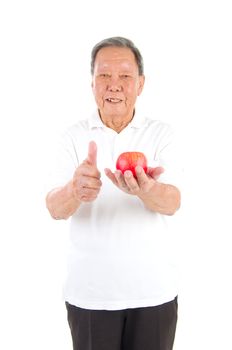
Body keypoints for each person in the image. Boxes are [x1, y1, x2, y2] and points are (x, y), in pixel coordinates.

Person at [46, 36, 181, 350]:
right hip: (90, 297)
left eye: (125, 76)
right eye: (104, 75)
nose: (114, 85)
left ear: (140, 84)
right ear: (92, 83)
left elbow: (173, 202)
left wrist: (148, 189)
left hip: (154, 294)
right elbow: (54, 207)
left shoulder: (162, 134)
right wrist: (74, 189)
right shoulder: (72, 137)